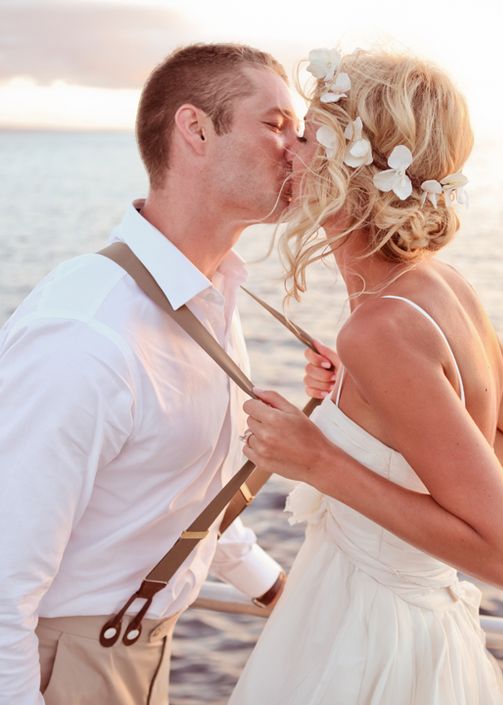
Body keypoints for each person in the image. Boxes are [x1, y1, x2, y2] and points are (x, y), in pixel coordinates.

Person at [228, 48, 503, 705]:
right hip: (418, 631)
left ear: (357, 164)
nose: (290, 149)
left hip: (369, 643)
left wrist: (318, 457)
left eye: (308, 134)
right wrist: (376, 409)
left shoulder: (380, 326)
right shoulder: (439, 280)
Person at [0, 43, 301, 705]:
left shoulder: (214, 295)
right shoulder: (88, 331)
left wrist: (278, 590)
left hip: (142, 650)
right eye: (277, 124)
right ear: (195, 130)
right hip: (60, 666)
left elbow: (182, 489)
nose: (300, 147)